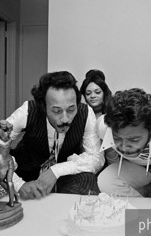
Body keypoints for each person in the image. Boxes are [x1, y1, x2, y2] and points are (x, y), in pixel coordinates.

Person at [8, 71, 105, 199]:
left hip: (63, 176)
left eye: (71, 109)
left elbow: (96, 158)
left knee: (88, 179)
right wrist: (18, 185)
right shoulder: (27, 110)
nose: (65, 119)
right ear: (43, 106)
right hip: (26, 173)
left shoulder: (86, 113)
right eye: (56, 111)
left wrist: (57, 171)